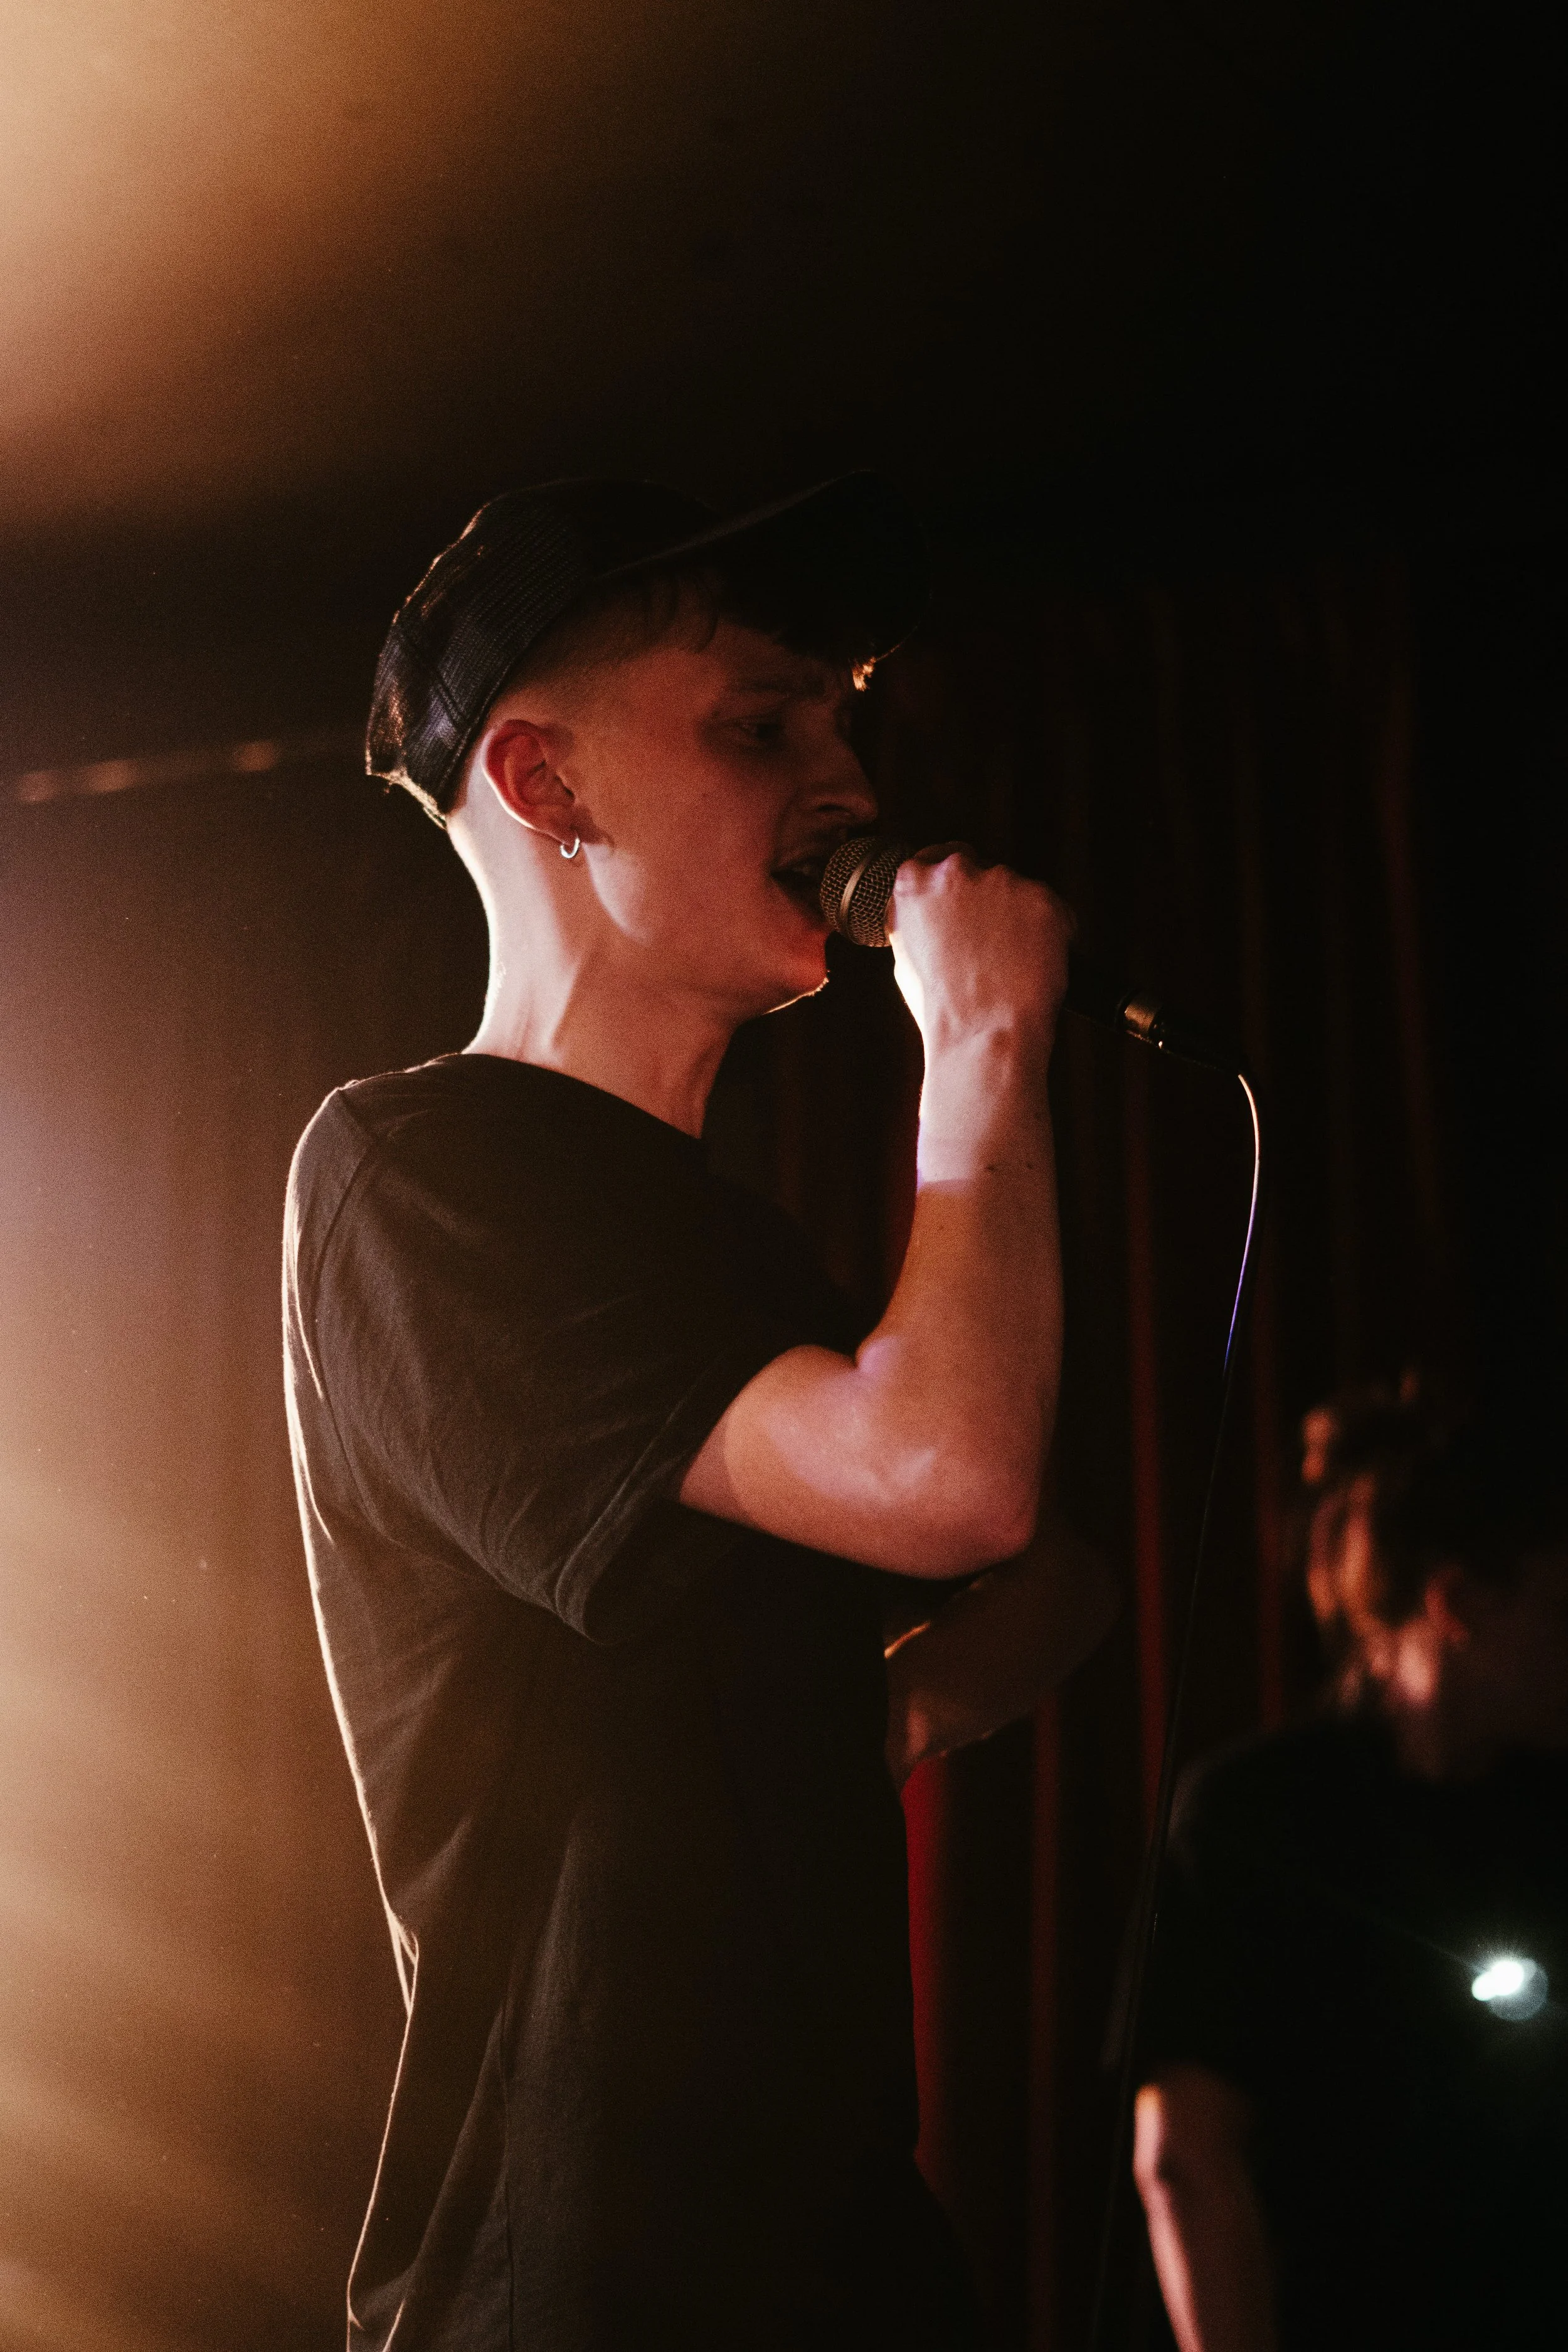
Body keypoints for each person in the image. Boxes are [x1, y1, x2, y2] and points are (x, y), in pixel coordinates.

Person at [282, 474, 1115, 2350]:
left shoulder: (731, 1246)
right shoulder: (415, 1173)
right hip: (578, 2279)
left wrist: (886, 1703)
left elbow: (1048, 1573)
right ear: (545, 785)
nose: (846, 776)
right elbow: (955, 1477)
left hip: (832, 2255)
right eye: (762, 722)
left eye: (844, 715)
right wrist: (982, 1047)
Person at [1131, 1381, 1568, 2352]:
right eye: (1557, 1610)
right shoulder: (1260, 1816)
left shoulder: (1547, 1817)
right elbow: (1189, 2158)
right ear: (1454, 1600)